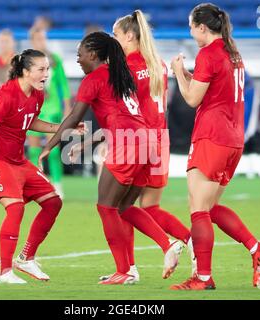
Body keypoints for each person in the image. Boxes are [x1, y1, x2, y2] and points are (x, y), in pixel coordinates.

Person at [39, 32, 184, 285]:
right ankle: (167, 244)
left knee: (105, 207)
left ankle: (125, 270)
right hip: (148, 142)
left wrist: (49, 146)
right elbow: (119, 117)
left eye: (80, 54)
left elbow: (73, 118)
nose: (77, 60)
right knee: (124, 207)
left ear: (93, 54)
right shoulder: (121, 76)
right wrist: (87, 142)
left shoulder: (94, 79)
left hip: (127, 144)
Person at [169, 3, 260, 290]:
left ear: (202, 27)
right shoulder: (232, 52)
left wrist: (178, 72)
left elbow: (191, 99)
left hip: (211, 137)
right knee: (210, 207)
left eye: (191, 26)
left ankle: (202, 278)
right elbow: (214, 90)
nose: (190, 32)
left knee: (198, 209)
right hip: (233, 139)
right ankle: (258, 250)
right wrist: (190, 75)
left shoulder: (208, 54)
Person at [99, 10, 197, 282]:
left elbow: (125, 110)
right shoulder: (158, 64)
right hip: (158, 139)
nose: (113, 39)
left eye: (116, 35)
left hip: (135, 140)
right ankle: (190, 243)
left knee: (118, 206)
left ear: (129, 36)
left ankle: (130, 268)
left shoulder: (127, 67)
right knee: (146, 208)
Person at [0, 49, 84, 284]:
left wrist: (64, 127)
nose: (47, 74)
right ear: (26, 72)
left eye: (48, 69)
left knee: (53, 202)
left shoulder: (38, 95)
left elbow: (30, 121)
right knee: (15, 209)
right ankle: (5, 272)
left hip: (18, 160)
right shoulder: (6, 95)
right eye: (41, 69)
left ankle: (26, 258)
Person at [27, 25, 72, 198]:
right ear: (32, 40)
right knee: (33, 151)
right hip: (33, 110)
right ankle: (37, 185)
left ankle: (57, 185)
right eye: (37, 39)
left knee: (53, 150)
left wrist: (67, 107)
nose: (40, 41)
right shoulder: (26, 61)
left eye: (42, 38)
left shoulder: (54, 60)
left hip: (52, 109)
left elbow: (63, 85)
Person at [0, 29, 16, 95]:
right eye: (1, 41)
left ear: (13, 43)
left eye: (7, 41)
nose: (4, 44)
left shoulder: (21, 63)